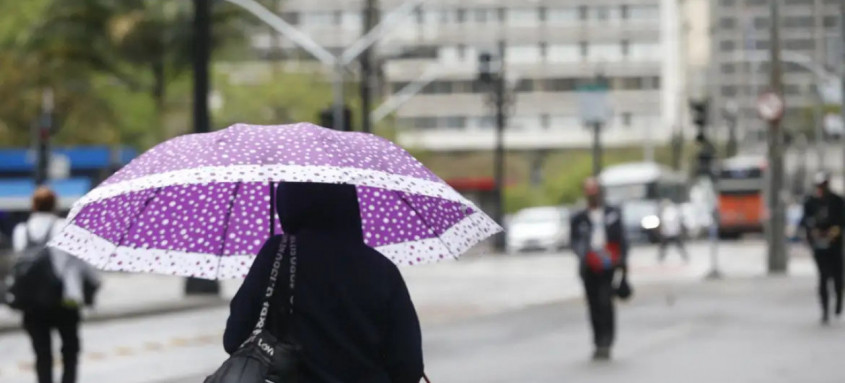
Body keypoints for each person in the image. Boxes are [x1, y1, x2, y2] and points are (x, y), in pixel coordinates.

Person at [223, 182, 425, 382]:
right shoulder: (382, 268)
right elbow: (409, 366)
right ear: (349, 204)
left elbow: (234, 338)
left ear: (288, 203)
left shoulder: (278, 255)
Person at [12, 187, 100, 383]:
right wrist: (95, 282)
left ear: (33, 206)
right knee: (70, 349)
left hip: (32, 302)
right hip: (65, 299)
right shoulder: (65, 227)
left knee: (42, 353)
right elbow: (81, 261)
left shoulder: (21, 230)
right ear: (55, 205)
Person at [570, 178, 629, 361]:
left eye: (595, 192)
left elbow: (623, 239)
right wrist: (583, 254)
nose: (592, 196)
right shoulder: (579, 218)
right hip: (589, 266)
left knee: (605, 302)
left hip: (609, 265)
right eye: (589, 192)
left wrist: (622, 261)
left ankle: (607, 341)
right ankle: (597, 342)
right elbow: (574, 241)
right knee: (593, 304)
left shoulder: (613, 213)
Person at [801, 172, 845, 324]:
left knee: (838, 276)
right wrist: (812, 233)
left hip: (835, 243)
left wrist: (836, 230)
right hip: (819, 245)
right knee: (823, 277)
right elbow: (805, 221)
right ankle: (825, 310)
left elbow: (841, 220)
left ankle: (839, 301)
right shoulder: (810, 202)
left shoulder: (837, 201)